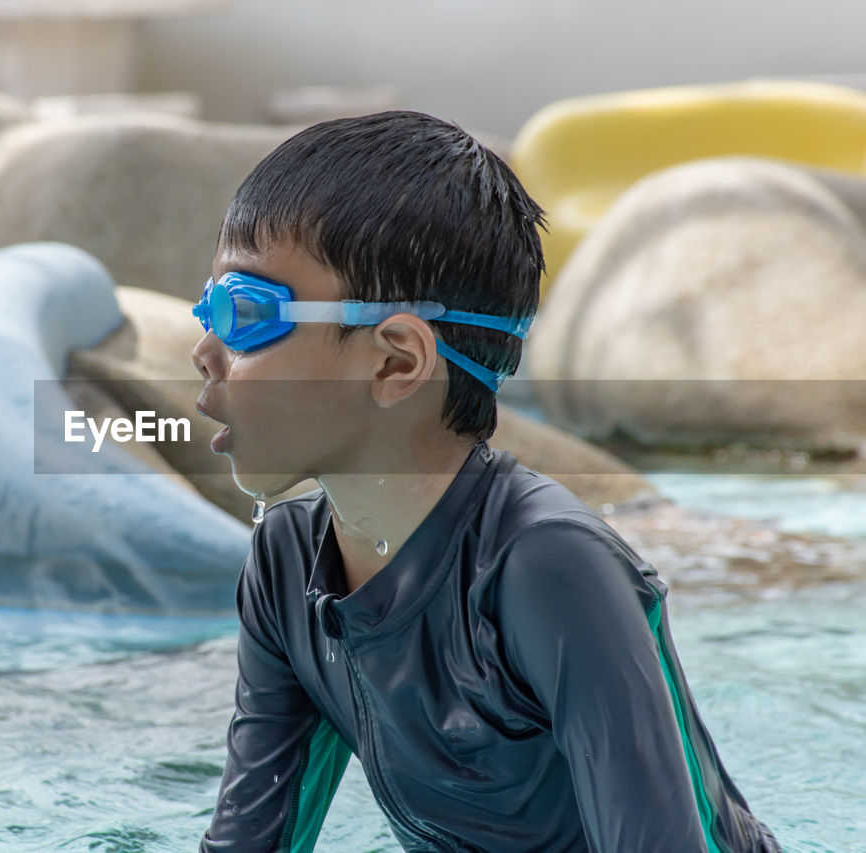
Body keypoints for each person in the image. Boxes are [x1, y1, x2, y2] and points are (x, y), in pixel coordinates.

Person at [189, 111, 782, 852]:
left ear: (396, 361)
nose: (203, 349)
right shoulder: (286, 564)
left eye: (245, 312)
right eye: (206, 305)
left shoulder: (546, 565)